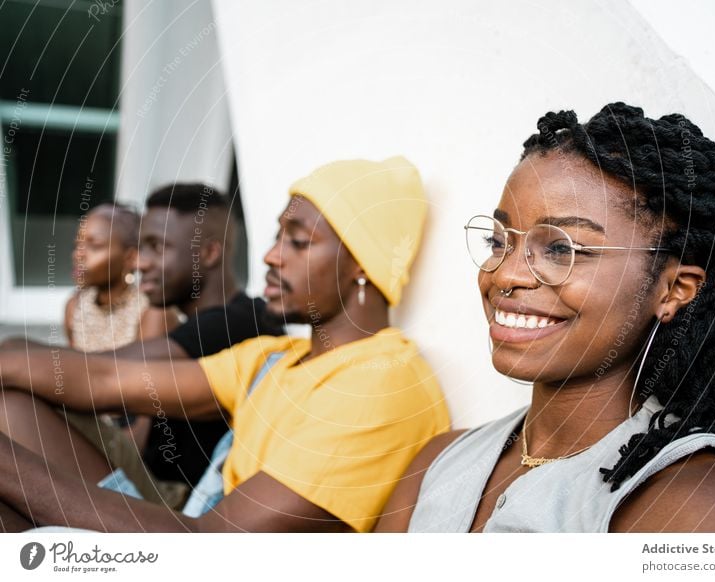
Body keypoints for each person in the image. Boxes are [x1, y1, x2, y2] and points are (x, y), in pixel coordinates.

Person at [376, 103, 715, 533]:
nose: (504, 274)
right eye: (498, 240)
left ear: (673, 289)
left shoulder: (698, 507)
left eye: (562, 249)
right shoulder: (438, 462)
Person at [0, 156, 450, 532]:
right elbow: (104, 377)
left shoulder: (380, 383)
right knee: (13, 408)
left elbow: (216, 544)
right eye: (278, 236)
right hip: (191, 526)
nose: (272, 255)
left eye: (297, 241)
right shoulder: (275, 358)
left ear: (362, 266)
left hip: (206, 555)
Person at [0, 184, 284, 499]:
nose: (139, 263)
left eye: (157, 248)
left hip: (177, 503)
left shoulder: (237, 323)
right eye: (140, 248)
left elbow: (103, 374)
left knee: (13, 408)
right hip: (152, 479)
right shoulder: (207, 321)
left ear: (209, 253)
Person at [66, 203, 178, 351]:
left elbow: (142, 372)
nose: (78, 255)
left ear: (130, 257)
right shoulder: (75, 307)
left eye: (95, 245)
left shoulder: (153, 311)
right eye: (77, 244)